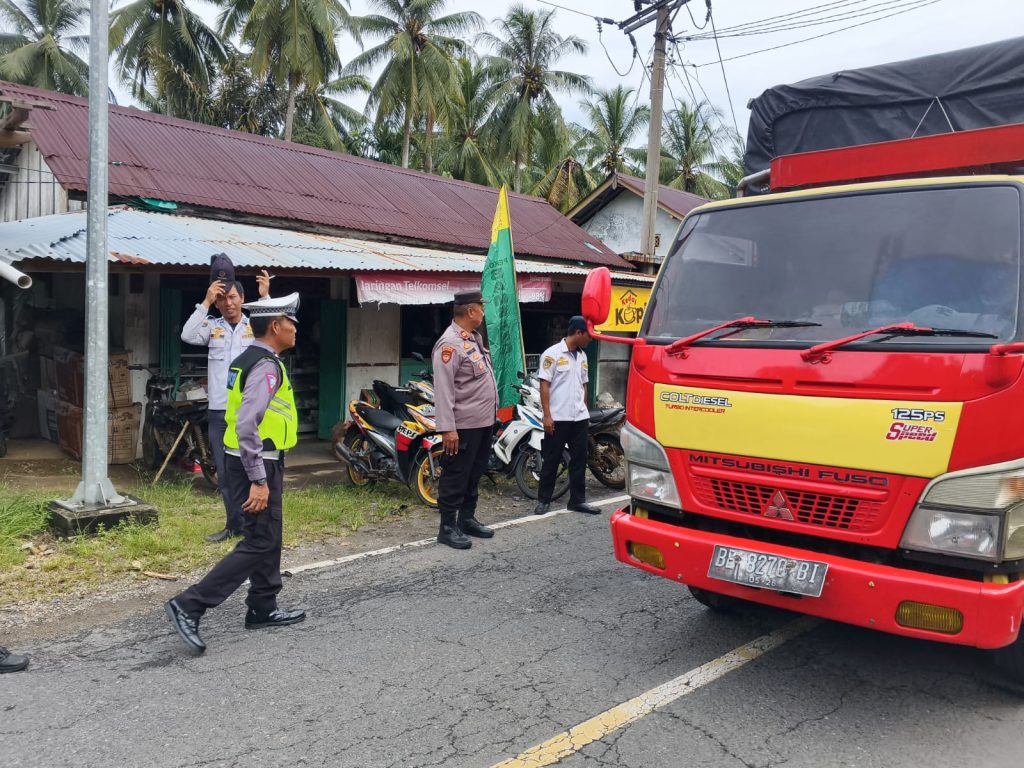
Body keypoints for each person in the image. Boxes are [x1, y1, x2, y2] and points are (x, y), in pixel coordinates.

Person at [165, 293, 305, 654]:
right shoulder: (266, 366)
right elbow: (247, 424)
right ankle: (190, 604)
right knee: (258, 540)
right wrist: (259, 479)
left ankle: (263, 606)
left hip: (252, 459)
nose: (295, 330)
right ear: (276, 325)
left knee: (269, 534)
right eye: (291, 324)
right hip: (254, 463)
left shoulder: (248, 358)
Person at [180, 254, 270, 543]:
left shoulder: (254, 326)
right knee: (226, 473)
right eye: (222, 299)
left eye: (231, 297)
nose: (227, 303)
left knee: (256, 470)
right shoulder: (212, 327)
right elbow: (186, 334)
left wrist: (266, 298)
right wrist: (205, 302)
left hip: (251, 413)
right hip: (220, 413)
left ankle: (257, 525)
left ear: (242, 298)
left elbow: (276, 328)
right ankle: (234, 525)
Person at [432, 289, 499, 549]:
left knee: (474, 472)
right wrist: (448, 429)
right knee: (456, 474)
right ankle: (447, 527)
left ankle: (467, 519)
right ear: (470, 311)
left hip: (482, 423)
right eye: (481, 308)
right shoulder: (449, 344)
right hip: (463, 427)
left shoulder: (472, 339)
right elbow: (444, 390)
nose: (483, 312)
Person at [532, 316, 601, 516]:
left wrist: (585, 410)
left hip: (579, 418)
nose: (590, 339)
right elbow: (544, 385)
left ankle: (577, 501)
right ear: (578, 333)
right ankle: (543, 500)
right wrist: (547, 416)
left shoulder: (583, 357)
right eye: (588, 335)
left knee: (579, 460)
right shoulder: (551, 354)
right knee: (552, 460)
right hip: (558, 418)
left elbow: (584, 384)